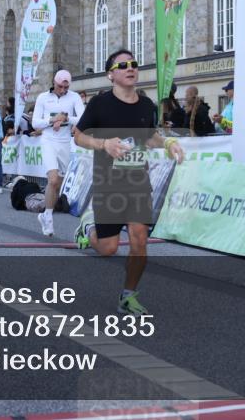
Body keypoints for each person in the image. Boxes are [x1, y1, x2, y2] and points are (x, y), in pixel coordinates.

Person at [73, 49, 185, 315]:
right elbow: (78, 136)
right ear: (111, 74)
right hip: (108, 183)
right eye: (123, 65)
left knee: (139, 240)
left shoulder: (147, 105)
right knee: (108, 248)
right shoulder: (100, 104)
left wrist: (167, 142)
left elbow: (149, 137)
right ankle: (87, 229)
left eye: (133, 64)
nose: (130, 68)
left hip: (137, 182)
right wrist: (103, 143)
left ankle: (128, 295)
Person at [31, 70, 86, 235]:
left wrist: (66, 118)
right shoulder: (42, 98)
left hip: (64, 143)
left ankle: (45, 213)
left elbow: (83, 118)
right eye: (60, 86)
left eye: (66, 87)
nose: (63, 90)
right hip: (48, 141)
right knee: (53, 180)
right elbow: (35, 123)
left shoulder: (74, 97)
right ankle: (48, 216)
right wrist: (52, 120)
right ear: (54, 83)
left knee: (58, 185)